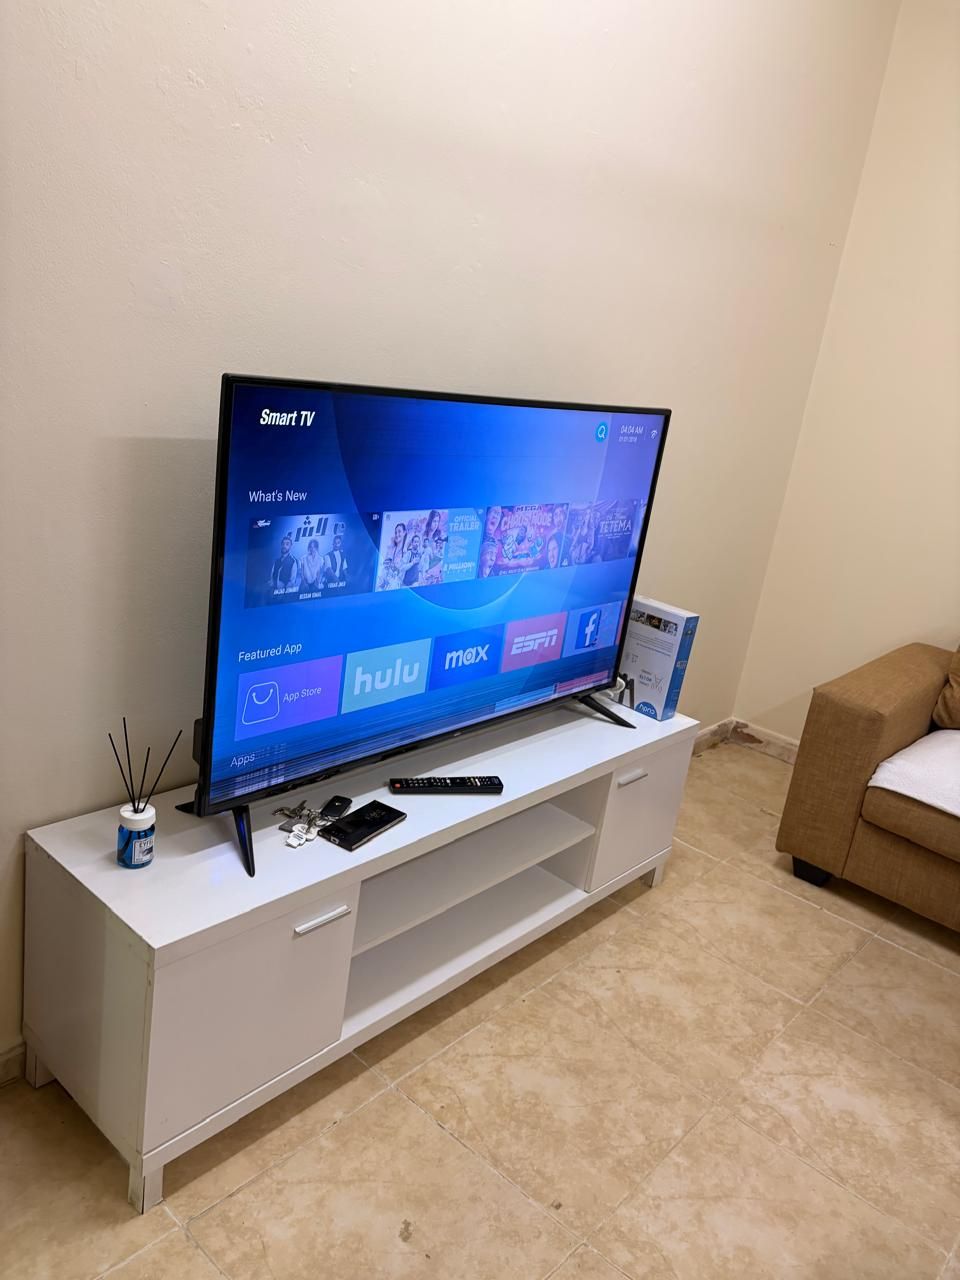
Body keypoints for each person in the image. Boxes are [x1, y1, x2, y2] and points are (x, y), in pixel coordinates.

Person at [378, 521, 407, 590]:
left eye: (399, 532)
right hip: (385, 583)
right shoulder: (391, 549)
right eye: (395, 532)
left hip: (396, 586)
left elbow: (402, 570)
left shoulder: (406, 551)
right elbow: (384, 564)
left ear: (404, 532)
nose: (397, 534)